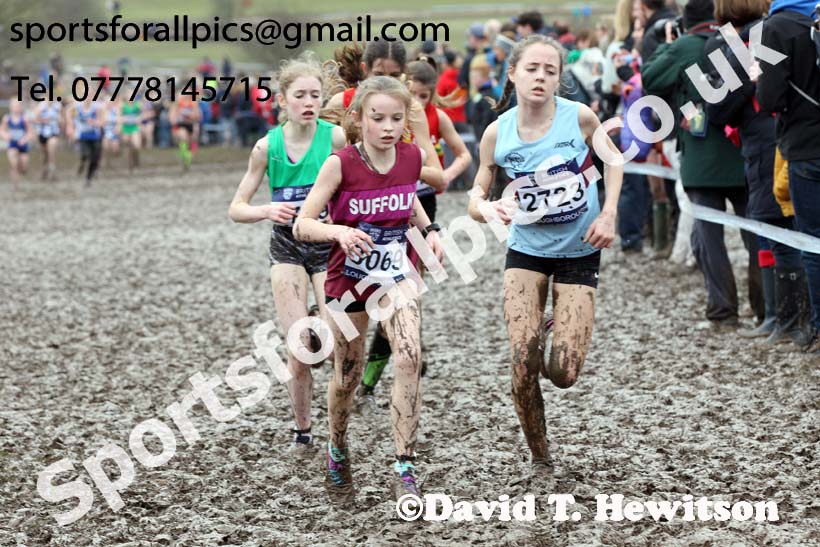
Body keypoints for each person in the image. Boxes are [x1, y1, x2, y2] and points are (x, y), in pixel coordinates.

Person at [467, 35, 623, 472]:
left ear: (559, 79)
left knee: (564, 373)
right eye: (532, 68)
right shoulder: (498, 133)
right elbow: (475, 195)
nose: (540, 77)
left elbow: (614, 161)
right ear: (513, 73)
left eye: (550, 71)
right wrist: (486, 207)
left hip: (579, 249)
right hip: (526, 251)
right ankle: (540, 454)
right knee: (522, 359)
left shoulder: (580, 118)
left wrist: (609, 213)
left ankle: (553, 323)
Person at [293, 76, 443, 498]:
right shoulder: (340, 164)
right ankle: (337, 447)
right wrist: (337, 232)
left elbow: (406, 197)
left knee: (410, 356)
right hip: (348, 281)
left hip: (396, 276)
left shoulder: (412, 158)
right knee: (347, 375)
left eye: (397, 118)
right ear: (358, 120)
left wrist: (430, 229)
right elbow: (302, 223)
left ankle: (404, 467)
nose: (388, 127)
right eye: (378, 118)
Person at [229, 54, 347, 450]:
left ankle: (337, 428)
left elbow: (354, 187)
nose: (309, 101)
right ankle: (302, 429)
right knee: (300, 348)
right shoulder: (267, 147)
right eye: (301, 95)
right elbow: (236, 207)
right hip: (286, 246)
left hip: (326, 244)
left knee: (336, 341)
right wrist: (266, 209)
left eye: (315, 94)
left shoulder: (334, 138)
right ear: (283, 100)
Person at [356, 60, 472, 406]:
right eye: (414, 93)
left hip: (421, 208)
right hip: (377, 209)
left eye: (424, 95)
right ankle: (379, 365)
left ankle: (374, 375)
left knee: (405, 294)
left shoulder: (428, 116)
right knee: (375, 296)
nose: (417, 99)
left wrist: (444, 176)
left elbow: (462, 157)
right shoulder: (376, 112)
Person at [642, 0, 761, 328]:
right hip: (742, 150)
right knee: (757, 236)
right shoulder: (740, 41)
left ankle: (723, 312)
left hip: (701, 155)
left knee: (710, 240)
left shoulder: (684, 46)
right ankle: (765, 309)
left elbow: (650, 78)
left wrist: (668, 43)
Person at [757, 0, 820, 354]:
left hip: (806, 147)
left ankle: (819, 328)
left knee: (812, 242)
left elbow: (770, 98)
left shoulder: (775, 29)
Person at [67, 97, 104, 187]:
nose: (88, 98)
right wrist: (70, 127)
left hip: (95, 135)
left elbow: (101, 122)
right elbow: (68, 113)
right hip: (83, 135)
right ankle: (82, 163)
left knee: (94, 158)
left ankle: (88, 178)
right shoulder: (77, 107)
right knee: (86, 155)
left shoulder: (97, 107)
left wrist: (94, 122)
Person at [0, 101, 34, 190]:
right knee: (13, 165)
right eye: (14, 107)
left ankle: (22, 169)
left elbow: (30, 132)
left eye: (17, 107)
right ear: (10, 108)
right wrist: (5, 135)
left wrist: (25, 139)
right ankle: (15, 185)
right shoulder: (7, 118)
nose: (16, 109)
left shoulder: (24, 119)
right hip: (12, 144)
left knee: (24, 167)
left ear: (21, 108)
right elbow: (1, 130)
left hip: (23, 145)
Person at [169, 94, 201, 171]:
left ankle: (187, 158)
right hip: (180, 126)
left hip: (190, 125)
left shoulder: (193, 103)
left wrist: (190, 116)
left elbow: (198, 116)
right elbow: (171, 118)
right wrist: (178, 117)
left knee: (192, 142)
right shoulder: (177, 104)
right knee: (183, 137)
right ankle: (185, 156)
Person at [34, 99, 63, 181]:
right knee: (44, 154)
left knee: (51, 151)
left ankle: (52, 172)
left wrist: (61, 122)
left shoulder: (58, 106)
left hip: (54, 132)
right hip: (42, 133)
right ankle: (44, 170)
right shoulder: (41, 106)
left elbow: (62, 120)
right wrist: (43, 120)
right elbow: (35, 119)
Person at [120, 97, 143, 173]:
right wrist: (122, 120)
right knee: (126, 145)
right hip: (126, 128)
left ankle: (136, 161)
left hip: (134, 127)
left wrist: (139, 119)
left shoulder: (138, 105)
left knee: (136, 146)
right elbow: (119, 116)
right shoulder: (123, 106)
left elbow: (142, 115)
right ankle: (129, 165)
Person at [101, 98, 121, 169]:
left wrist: (118, 127)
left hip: (113, 131)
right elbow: (101, 122)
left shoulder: (116, 110)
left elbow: (119, 120)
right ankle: (105, 162)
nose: (108, 104)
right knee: (106, 147)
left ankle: (116, 158)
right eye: (107, 102)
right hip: (105, 131)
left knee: (115, 149)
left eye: (110, 102)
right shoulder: (102, 111)